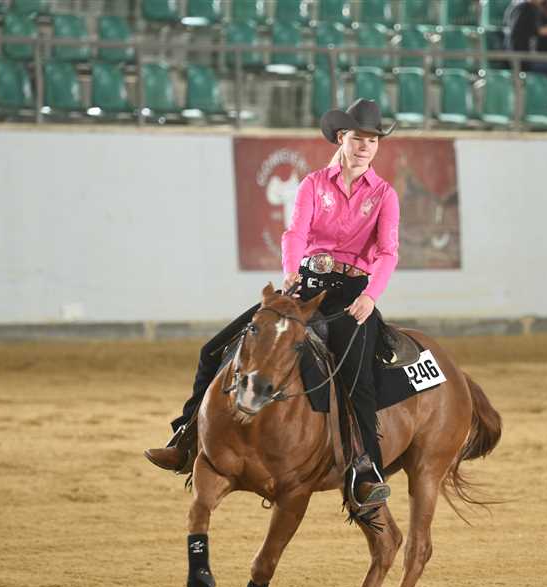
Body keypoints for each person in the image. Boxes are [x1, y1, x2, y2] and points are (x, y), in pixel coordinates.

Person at [144, 98, 399, 509]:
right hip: (305, 285)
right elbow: (295, 233)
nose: (365, 146)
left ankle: (365, 471)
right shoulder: (313, 184)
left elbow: (387, 252)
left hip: (352, 294)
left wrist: (371, 296)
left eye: (372, 140)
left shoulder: (385, 195)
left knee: (359, 378)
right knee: (214, 349)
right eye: (358, 138)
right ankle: (185, 439)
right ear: (341, 138)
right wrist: (291, 271)